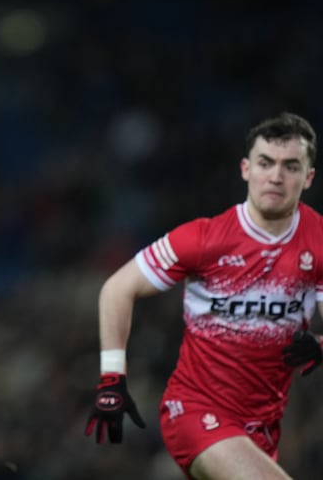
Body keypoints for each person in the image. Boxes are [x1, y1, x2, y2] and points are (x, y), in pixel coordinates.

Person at [85, 112, 323, 479]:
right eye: (265, 163)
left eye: (290, 166)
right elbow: (118, 288)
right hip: (194, 412)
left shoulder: (318, 242)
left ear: (308, 178)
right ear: (246, 169)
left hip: (261, 428)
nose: (276, 176)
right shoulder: (204, 238)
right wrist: (112, 377)